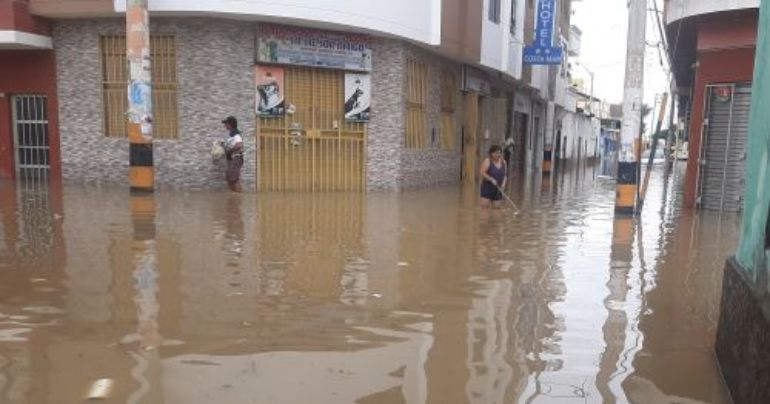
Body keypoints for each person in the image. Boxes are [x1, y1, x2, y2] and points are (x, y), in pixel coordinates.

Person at [479, 145, 507, 209]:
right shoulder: (487, 161)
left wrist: (503, 184)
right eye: (496, 153)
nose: (498, 155)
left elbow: (505, 175)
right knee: (484, 211)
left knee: (496, 211)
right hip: (487, 188)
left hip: (498, 189)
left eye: (500, 153)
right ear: (491, 153)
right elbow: (482, 172)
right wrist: (491, 179)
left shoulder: (504, 162)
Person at [221, 116, 243, 193]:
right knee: (229, 178)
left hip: (236, 159)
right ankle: (234, 196)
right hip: (231, 160)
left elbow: (239, 145)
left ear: (230, 124)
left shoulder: (236, 135)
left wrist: (230, 151)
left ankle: (239, 197)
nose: (225, 125)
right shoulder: (231, 136)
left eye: (226, 123)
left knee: (233, 179)